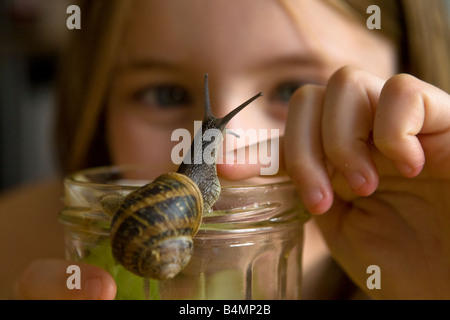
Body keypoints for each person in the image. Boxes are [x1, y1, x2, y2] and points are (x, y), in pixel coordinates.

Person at [1, 0, 449, 300]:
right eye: (164, 94)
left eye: (293, 89)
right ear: (96, 104)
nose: (236, 153)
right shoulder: (17, 244)